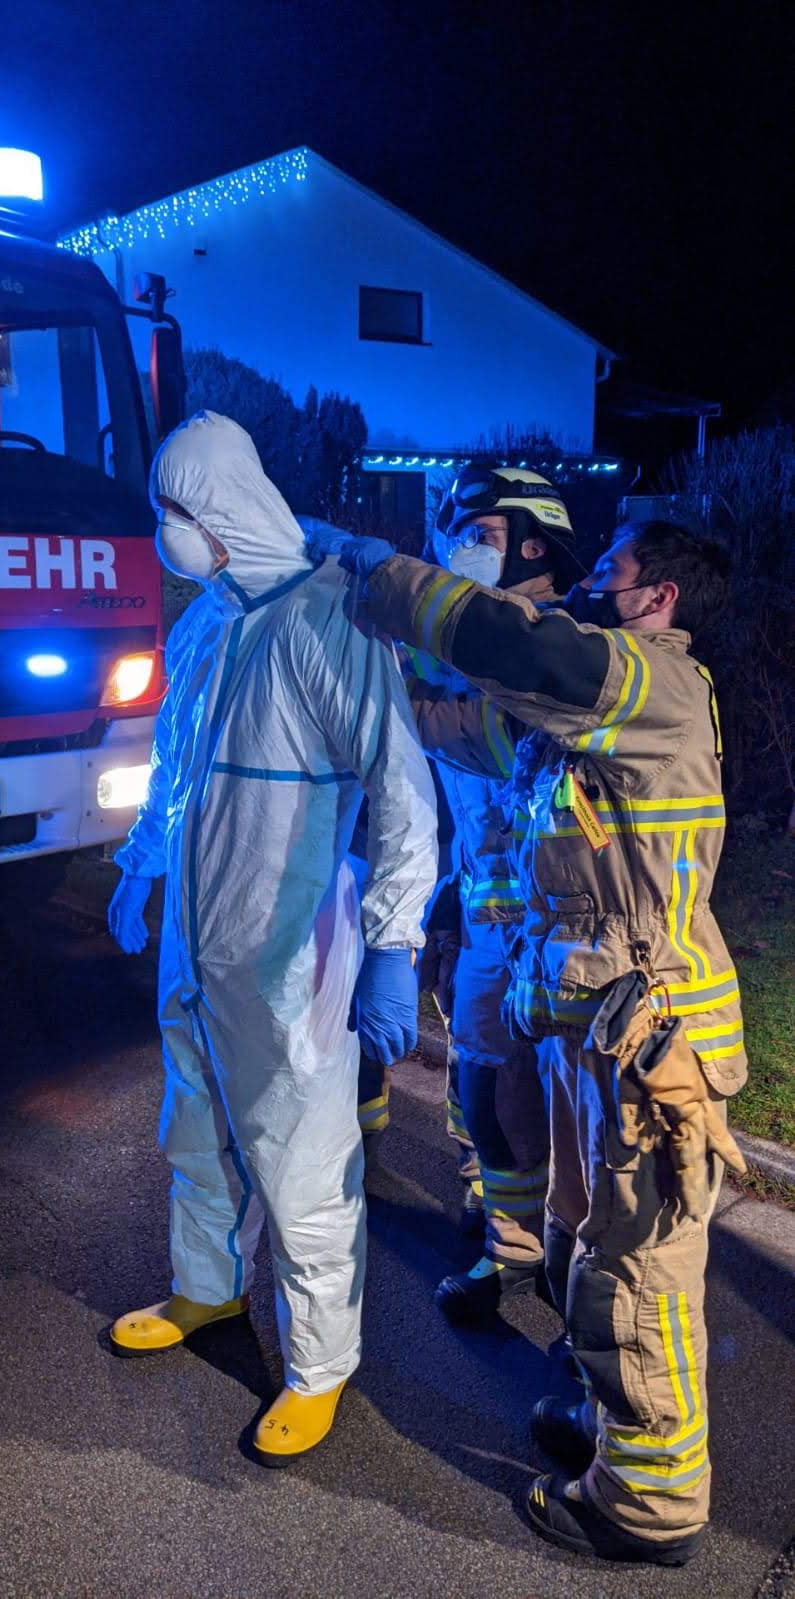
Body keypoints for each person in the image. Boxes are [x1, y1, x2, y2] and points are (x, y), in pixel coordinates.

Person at [305, 516, 746, 1564]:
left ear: (659, 599)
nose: (592, 582)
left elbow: (514, 647)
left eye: (613, 571)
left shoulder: (652, 685)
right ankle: (613, 1429)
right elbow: (458, 719)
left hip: (652, 1051)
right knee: (598, 1250)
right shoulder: (587, 724)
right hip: (609, 1039)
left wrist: (377, 570)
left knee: (636, 1272)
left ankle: (646, 1506)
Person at [107, 412, 438, 1465]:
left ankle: (318, 1364)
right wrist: (137, 867)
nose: (167, 531)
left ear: (219, 512)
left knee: (298, 1157)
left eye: (175, 512)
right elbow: (174, 765)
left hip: (289, 939)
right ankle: (206, 1290)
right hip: (198, 938)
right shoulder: (207, 620)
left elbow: (400, 790)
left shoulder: (328, 620)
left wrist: (392, 946)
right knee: (196, 1128)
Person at [402, 467, 579, 1319]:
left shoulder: (552, 641)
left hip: (564, 939)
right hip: (488, 920)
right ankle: (512, 1245)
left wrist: (375, 688)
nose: (462, 546)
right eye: (455, 531)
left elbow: (476, 739)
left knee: (556, 1107)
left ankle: (557, 1254)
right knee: (482, 1082)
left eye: (483, 532)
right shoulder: (470, 641)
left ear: (534, 541)